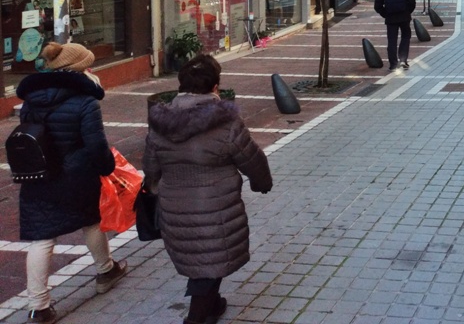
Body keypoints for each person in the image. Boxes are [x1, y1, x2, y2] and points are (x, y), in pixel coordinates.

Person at [145, 54, 272, 324]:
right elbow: (251, 159)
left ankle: (213, 306)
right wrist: (262, 183)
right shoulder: (226, 123)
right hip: (216, 208)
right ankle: (195, 318)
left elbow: (151, 169)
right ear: (215, 87)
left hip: (174, 208)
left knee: (202, 260)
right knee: (210, 260)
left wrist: (160, 189)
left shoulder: (160, 124)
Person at [16, 42, 129, 323]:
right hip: (76, 175)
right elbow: (96, 144)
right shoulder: (85, 101)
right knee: (90, 220)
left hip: (39, 175)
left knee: (42, 236)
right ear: (81, 68)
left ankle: (38, 307)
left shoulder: (31, 98)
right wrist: (107, 167)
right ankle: (105, 270)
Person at [373, 0, 417, 70]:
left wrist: (385, 14)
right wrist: (407, 12)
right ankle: (403, 60)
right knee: (405, 37)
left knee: (392, 40)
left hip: (391, 18)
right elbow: (412, 1)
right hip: (404, 17)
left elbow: (377, 6)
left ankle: (393, 64)